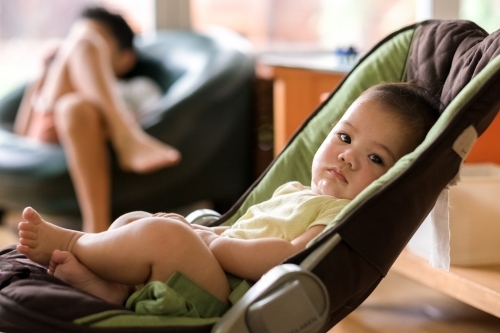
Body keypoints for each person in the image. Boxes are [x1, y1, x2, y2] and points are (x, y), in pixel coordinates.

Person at [16, 82, 439, 312]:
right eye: (344, 137)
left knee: (165, 235)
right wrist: (210, 232)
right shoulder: (294, 191)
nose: (347, 156)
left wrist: (212, 242)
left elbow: (287, 257)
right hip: (212, 268)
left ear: (392, 180)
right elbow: (242, 229)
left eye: (375, 158)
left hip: (232, 298)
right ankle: (112, 289)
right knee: (139, 220)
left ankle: (72, 242)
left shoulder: (341, 217)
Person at [13, 7, 181, 233]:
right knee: (83, 49)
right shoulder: (51, 82)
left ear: (126, 59)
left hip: (83, 123)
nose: (76, 46)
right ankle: (126, 136)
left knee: (75, 106)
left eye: (99, 44)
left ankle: (96, 230)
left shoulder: (138, 88)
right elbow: (21, 137)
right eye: (72, 41)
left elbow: (158, 122)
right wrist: (42, 77)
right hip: (48, 128)